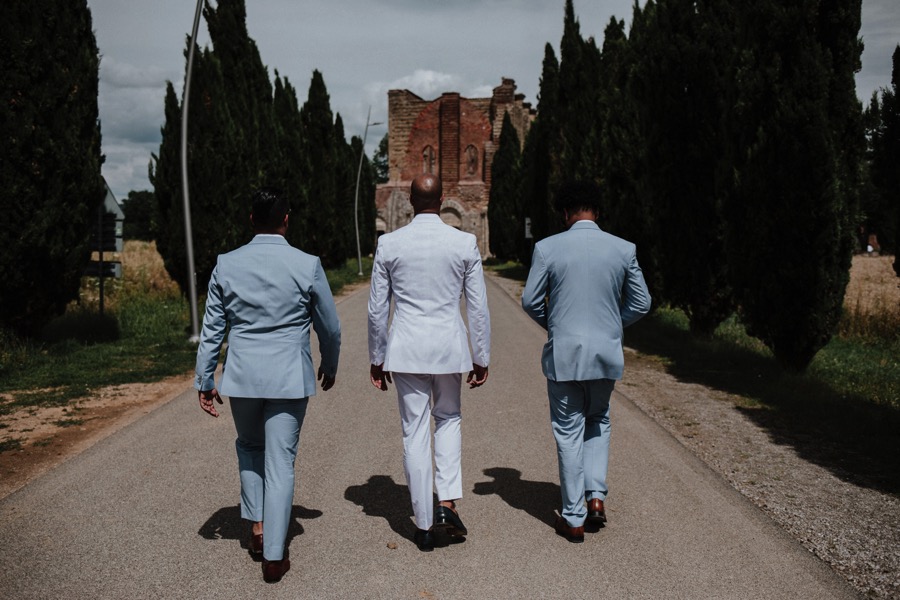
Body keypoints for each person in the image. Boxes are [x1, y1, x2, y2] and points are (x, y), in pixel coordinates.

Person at [195, 187, 341, 582]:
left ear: (250, 218)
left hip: (242, 377)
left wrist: (205, 378)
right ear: (286, 219)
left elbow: (212, 329)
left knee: (249, 447)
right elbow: (330, 326)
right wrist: (330, 363)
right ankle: (274, 556)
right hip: (289, 378)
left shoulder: (227, 264)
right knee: (281, 462)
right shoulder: (306, 264)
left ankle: (258, 530)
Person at [521, 180, 651, 543]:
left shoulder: (547, 249)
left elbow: (531, 302)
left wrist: (557, 326)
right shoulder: (623, 249)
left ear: (565, 212)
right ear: (597, 210)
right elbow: (642, 303)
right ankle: (596, 498)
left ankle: (574, 516)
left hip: (564, 354)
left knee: (568, 431)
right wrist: (610, 325)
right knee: (598, 419)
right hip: (605, 353)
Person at [367, 173, 491, 551]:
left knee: (414, 431)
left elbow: (377, 309)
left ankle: (422, 524)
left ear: (409, 199)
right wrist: (480, 355)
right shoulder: (464, 242)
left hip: (405, 350)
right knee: (449, 418)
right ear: (442, 199)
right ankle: (448, 503)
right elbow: (477, 306)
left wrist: (377, 356)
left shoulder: (389, 243)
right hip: (450, 348)